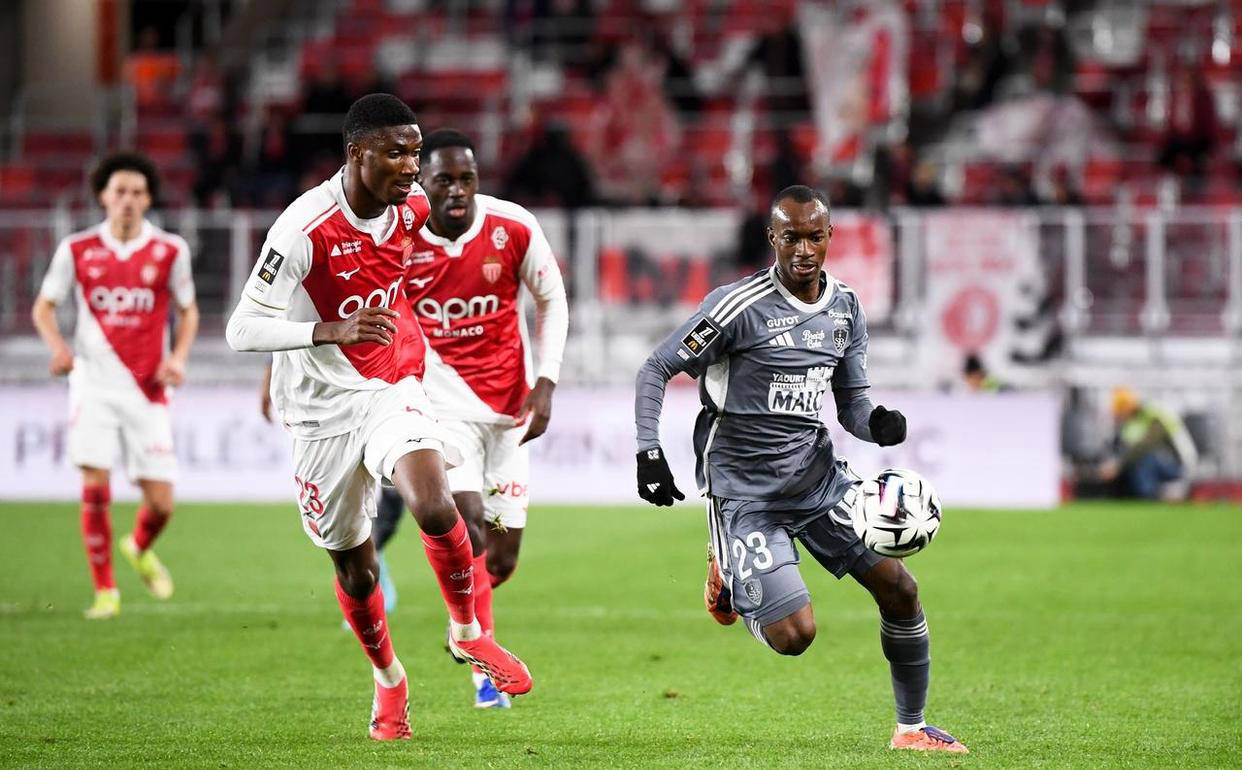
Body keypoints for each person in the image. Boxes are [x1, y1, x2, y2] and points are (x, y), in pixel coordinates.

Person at [225, 94, 532, 741]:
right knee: (355, 568)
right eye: (396, 153)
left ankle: (468, 632)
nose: (411, 167)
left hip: (392, 385)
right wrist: (329, 330)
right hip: (318, 413)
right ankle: (389, 678)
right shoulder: (303, 228)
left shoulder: (412, 207)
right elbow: (242, 327)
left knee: (434, 503)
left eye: (415, 153)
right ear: (356, 154)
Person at [633, 185, 968, 754]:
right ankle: (732, 578)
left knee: (901, 589)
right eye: (791, 238)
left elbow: (852, 406)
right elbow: (656, 367)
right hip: (745, 493)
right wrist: (648, 451)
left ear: (831, 236)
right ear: (773, 238)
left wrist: (878, 424)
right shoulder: (736, 307)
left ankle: (911, 729)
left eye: (815, 237)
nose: (804, 250)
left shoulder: (845, 308)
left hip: (817, 480)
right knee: (795, 636)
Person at [372, 128, 569, 709]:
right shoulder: (401, 234)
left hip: (511, 412)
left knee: (500, 559)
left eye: (467, 179)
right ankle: (482, 665)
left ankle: (466, 620)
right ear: (422, 182)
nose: (458, 190)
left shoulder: (513, 227)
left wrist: (546, 381)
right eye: (444, 180)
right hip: (440, 409)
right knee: (470, 525)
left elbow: (552, 300)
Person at [31, 152, 199, 620]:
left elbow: (188, 311)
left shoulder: (170, 250)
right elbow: (44, 307)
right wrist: (58, 349)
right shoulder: (77, 249)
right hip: (93, 383)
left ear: (148, 199)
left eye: (137, 192)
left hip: (147, 387)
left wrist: (178, 358)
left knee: (161, 503)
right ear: (103, 196)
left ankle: (139, 546)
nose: (128, 200)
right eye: (120, 191)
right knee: (95, 482)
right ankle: (105, 591)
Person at [1097, 388, 1197, 501]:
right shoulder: (1130, 424)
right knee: (1134, 461)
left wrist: (1118, 465)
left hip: (1179, 465)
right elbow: (1123, 448)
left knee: (1144, 458)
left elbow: (1145, 445)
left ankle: (1149, 495)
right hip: (1159, 463)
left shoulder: (1154, 414)